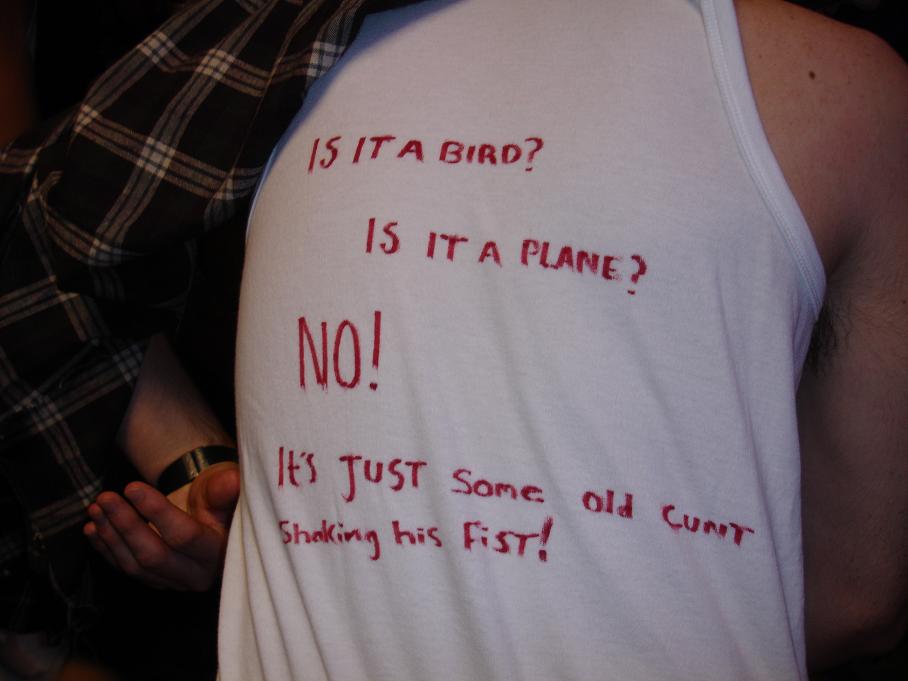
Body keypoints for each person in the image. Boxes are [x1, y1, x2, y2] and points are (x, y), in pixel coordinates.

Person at [67, 0, 908, 678]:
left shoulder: (246, 68)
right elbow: (855, 596)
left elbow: (37, 243)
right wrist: (214, 483)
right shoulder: (843, 93)